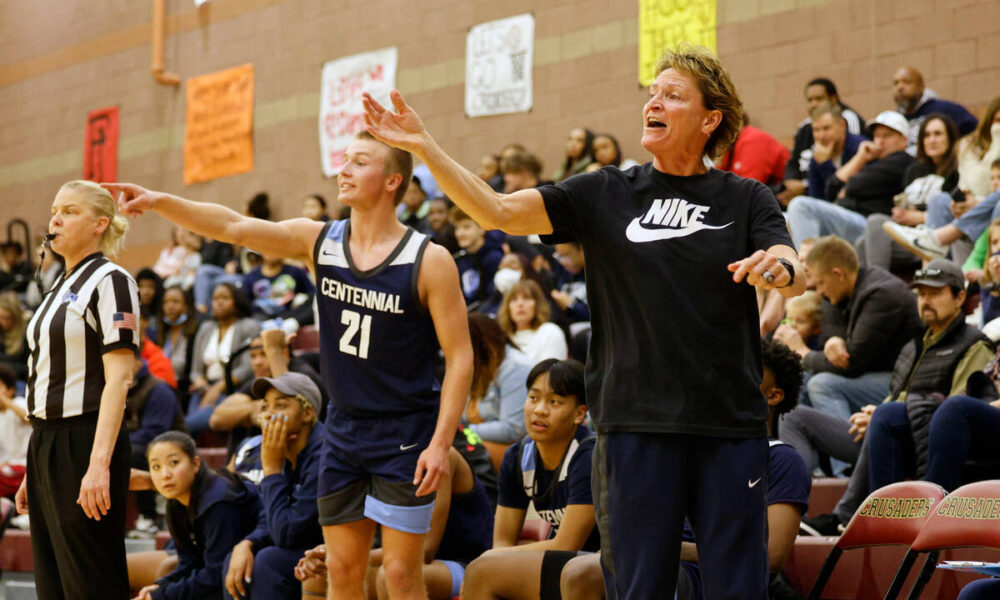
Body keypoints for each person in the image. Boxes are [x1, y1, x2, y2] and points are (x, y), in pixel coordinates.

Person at [361, 43, 805, 599]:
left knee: (737, 589)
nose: (654, 103)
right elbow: (497, 211)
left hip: (728, 425)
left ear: (709, 118)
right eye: (651, 94)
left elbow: (791, 262)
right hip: (634, 425)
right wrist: (426, 149)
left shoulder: (745, 197)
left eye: (672, 95)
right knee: (637, 587)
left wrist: (781, 271)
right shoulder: (607, 191)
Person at [106, 128, 473, 600]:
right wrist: (161, 201)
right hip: (342, 430)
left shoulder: (429, 260)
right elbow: (234, 227)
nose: (344, 168)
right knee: (341, 570)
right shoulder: (319, 241)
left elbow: (460, 358)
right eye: (345, 159)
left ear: (392, 182)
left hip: (403, 432)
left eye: (360, 162)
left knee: (401, 576)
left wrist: (441, 444)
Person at [560, 338, 811, 600]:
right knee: (558, 570)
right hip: (656, 560)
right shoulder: (695, 447)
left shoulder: (783, 458)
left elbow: (772, 556)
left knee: (583, 573)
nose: (730, 380)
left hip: (711, 576)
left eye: (746, 374)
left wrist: (669, 550)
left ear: (773, 395)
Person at [16, 179, 139, 599]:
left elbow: (120, 379)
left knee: (91, 581)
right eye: (54, 210)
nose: (55, 219)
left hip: (85, 440)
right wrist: (35, 465)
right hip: (46, 443)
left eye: (69, 211)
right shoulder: (56, 287)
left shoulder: (112, 281)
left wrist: (98, 464)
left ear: (100, 223)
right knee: (53, 585)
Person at [462, 359, 599, 600]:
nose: (539, 410)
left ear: (579, 414)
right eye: (533, 398)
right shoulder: (517, 456)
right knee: (483, 569)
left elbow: (567, 543)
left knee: (482, 569)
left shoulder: (589, 456)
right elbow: (502, 541)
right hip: (565, 564)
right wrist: (498, 558)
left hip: (601, 564)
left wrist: (496, 559)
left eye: (554, 402)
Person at [223, 372, 326, 600]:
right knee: (237, 559)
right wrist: (248, 543)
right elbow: (269, 517)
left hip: (334, 548)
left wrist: (270, 471)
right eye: (265, 407)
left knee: (269, 562)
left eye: (280, 406)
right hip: (305, 543)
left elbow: (288, 534)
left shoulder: (323, 455)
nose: (269, 415)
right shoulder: (282, 450)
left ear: (308, 413)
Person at [133, 432, 262, 600]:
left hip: (255, 562)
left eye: (174, 463)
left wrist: (162, 595)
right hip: (222, 569)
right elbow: (189, 560)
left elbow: (215, 574)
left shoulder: (219, 502)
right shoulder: (176, 501)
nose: (165, 474)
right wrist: (161, 586)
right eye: (156, 467)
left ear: (195, 464)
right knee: (166, 576)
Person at [787, 111, 914, 249]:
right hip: (850, 219)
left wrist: (847, 188)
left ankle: (805, 266)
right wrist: (861, 158)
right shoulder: (871, 160)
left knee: (800, 206)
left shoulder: (902, 160)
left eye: (887, 136)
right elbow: (831, 188)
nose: (880, 141)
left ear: (904, 140)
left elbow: (853, 185)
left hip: (872, 226)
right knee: (785, 218)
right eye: (877, 136)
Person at [861, 113, 961, 271]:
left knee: (875, 224)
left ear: (950, 137)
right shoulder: (914, 170)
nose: (932, 140)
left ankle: (877, 281)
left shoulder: (959, 169)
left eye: (938, 134)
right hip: (910, 235)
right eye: (927, 135)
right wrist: (901, 214)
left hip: (941, 239)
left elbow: (962, 214)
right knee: (867, 235)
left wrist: (919, 217)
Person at [185, 282, 261, 437]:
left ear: (236, 301)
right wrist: (201, 383)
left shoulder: (249, 326)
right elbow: (195, 370)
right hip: (204, 389)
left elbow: (247, 368)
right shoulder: (206, 328)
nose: (219, 302)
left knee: (187, 425)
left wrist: (219, 387)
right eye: (215, 298)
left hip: (232, 390)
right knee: (189, 423)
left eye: (225, 298)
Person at [126, 349, 185, 538]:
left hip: (172, 448)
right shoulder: (121, 387)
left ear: (137, 361)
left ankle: (149, 517)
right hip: (138, 444)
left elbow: (155, 433)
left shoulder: (158, 389)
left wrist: (116, 444)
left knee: (132, 453)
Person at [779, 77, 865, 206]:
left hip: (855, 210)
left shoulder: (859, 148)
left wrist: (824, 166)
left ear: (842, 125)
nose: (821, 135)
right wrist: (790, 183)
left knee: (799, 205)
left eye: (826, 128)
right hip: (824, 206)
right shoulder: (817, 152)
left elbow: (843, 194)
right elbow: (816, 199)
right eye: (816, 130)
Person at [464, 313, 533, 447]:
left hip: (514, 448)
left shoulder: (516, 368)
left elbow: (513, 429)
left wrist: (464, 432)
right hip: (478, 440)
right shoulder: (475, 367)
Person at [892, 66, 978, 151]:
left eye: (907, 82)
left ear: (921, 87)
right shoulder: (894, 120)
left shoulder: (945, 109)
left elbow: (974, 133)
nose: (900, 87)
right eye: (896, 83)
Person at [497, 280, 568, 363]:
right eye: (514, 299)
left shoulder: (549, 332)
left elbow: (549, 374)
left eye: (527, 298)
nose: (520, 303)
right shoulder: (501, 337)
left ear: (537, 304)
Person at [153, 285, 201, 399]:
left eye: (175, 302)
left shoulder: (195, 332)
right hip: (160, 387)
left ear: (187, 306)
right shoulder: (161, 334)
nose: (170, 306)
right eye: (166, 302)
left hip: (184, 391)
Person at [715, 121, 790, 187]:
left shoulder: (752, 139)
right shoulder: (729, 146)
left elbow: (747, 187)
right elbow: (717, 181)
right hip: (768, 192)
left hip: (786, 193)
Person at [0, 364, 29, 499]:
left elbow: (28, 418)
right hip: (8, 468)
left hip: (25, 466)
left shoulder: (19, 402)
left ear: (11, 390)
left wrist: (5, 401)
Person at [0, 292, 28, 381]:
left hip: (17, 380)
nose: (4, 321)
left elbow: (27, 366)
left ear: (16, 317)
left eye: (8, 318)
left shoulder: (26, 333)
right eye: (1, 317)